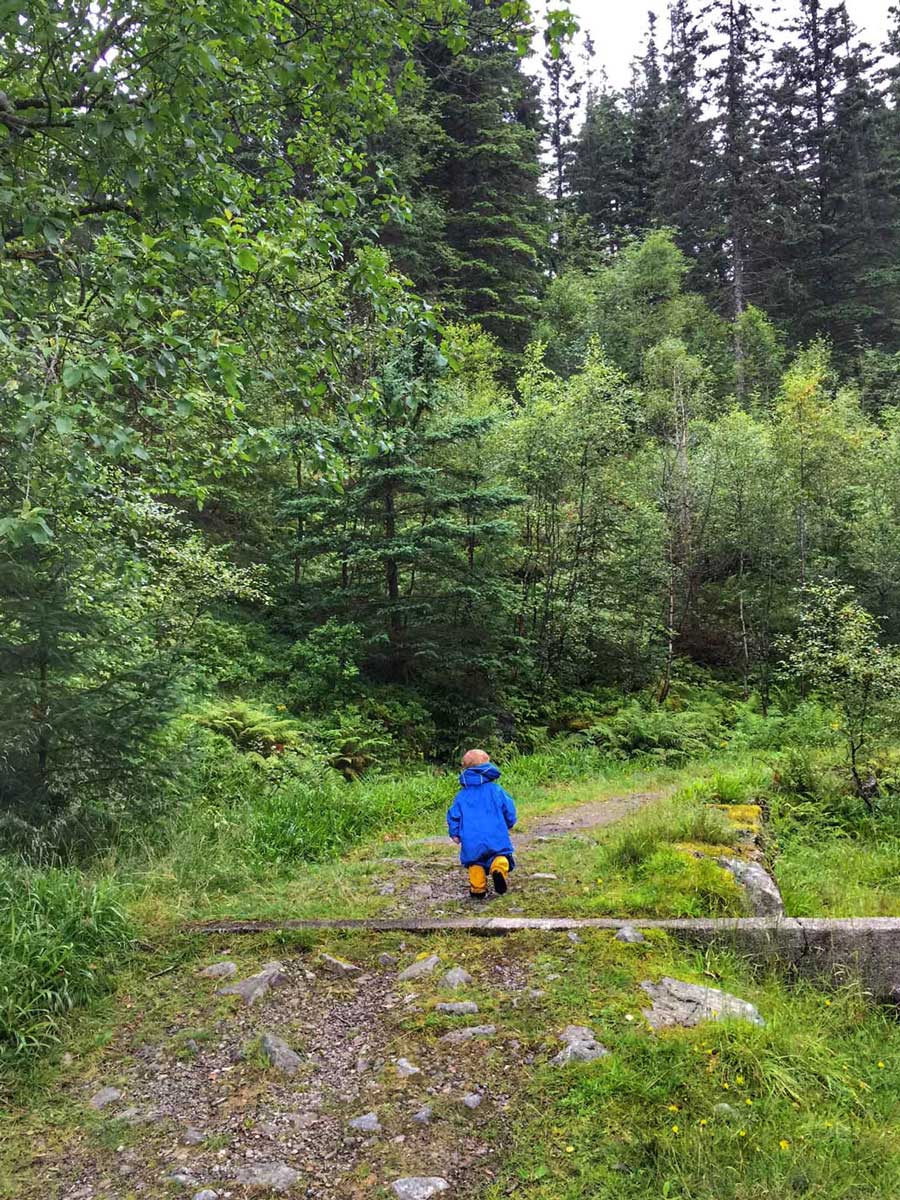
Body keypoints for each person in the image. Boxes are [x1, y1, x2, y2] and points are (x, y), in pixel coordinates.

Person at [447, 748, 517, 898]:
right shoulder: (495, 790)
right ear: (487, 768)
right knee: (500, 855)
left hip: (471, 838)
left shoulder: (462, 795)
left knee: (475, 863)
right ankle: (498, 869)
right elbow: (508, 808)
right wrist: (510, 822)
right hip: (495, 834)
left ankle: (478, 889)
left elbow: (453, 815)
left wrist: (455, 833)